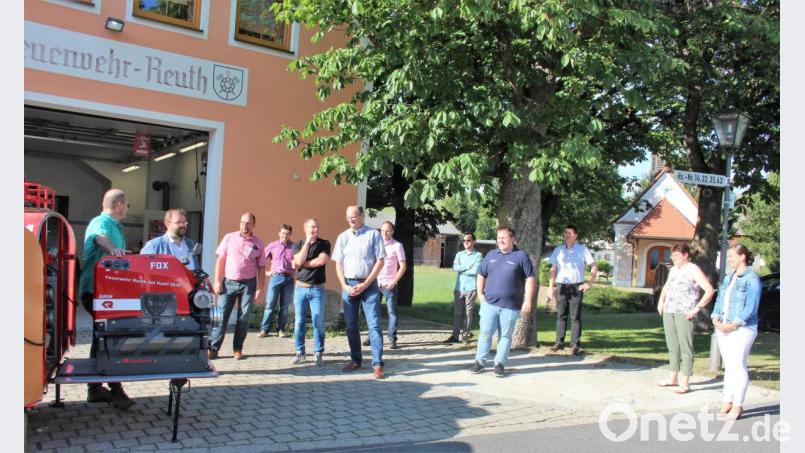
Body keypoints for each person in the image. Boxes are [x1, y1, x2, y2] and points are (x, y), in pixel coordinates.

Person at [78, 189, 135, 410]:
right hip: (95, 291)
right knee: (108, 337)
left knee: (102, 337)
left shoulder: (117, 227)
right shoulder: (100, 222)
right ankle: (115, 390)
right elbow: (99, 238)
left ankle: (95, 389)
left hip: (109, 292)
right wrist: (114, 251)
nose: (128, 208)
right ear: (119, 204)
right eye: (127, 204)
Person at [470, 226, 536, 378]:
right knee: (485, 334)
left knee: (505, 336)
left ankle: (499, 364)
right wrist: (480, 293)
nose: (500, 240)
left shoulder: (521, 256)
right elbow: (481, 274)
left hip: (511, 307)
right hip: (490, 304)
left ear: (512, 239)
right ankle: (480, 362)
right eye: (498, 238)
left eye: (504, 237)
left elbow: (530, 278)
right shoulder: (491, 255)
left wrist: (528, 301)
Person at [332, 206, 387, 379]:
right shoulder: (343, 237)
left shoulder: (373, 235)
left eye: (354, 217)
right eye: (348, 217)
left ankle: (377, 364)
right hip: (349, 285)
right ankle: (356, 360)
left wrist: (366, 283)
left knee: (374, 325)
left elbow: (380, 261)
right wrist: (344, 284)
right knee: (351, 325)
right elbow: (338, 264)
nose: (351, 220)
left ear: (362, 216)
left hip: (368, 285)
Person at [656, 243, 715, 394]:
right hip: (670, 310)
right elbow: (667, 287)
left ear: (686, 255)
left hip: (685, 312)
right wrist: (661, 301)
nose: (673, 258)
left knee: (685, 347)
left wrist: (696, 309)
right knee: (672, 345)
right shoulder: (674, 270)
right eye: (672, 256)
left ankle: (685, 381)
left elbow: (709, 290)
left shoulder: (693, 269)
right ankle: (673, 377)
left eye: (676, 256)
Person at [711, 244, 762, 420]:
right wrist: (715, 317)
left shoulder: (752, 279)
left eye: (732, 256)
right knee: (730, 366)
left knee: (738, 365)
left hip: (743, 328)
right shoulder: (728, 277)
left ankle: (738, 405)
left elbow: (751, 307)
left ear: (742, 257)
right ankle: (727, 400)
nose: (730, 259)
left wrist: (733, 324)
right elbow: (720, 299)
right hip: (724, 326)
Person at [208, 212, 266, 360]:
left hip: (248, 284)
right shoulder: (229, 238)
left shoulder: (258, 243)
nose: (244, 226)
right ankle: (213, 349)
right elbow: (221, 260)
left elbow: (261, 267)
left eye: (248, 223)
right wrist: (217, 281)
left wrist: (260, 288)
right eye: (242, 222)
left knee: (243, 318)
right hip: (228, 283)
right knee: (220, 316)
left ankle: (238, 349)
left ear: (253, 225)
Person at [548, 225, 598, 355]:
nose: (567, 235)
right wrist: (550, 286)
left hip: (576, 286)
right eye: (565, 233)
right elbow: (553, 269)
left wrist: (590, 283)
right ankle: (559, 343)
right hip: (561, 286)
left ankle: (575, 345)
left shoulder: (583, 250)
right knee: (560, 315)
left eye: (569, 233)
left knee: (575, 317)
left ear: (576, 236)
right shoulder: (558, 250)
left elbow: (593, 266)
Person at [290, 218, 331, 366]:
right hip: (300, 288)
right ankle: (299, 352)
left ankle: (318, 352)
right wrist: (307, 243)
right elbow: (298, 260)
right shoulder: (298, 244)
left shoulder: (324, 243)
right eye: (312, 227)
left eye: (317, 227)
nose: (315, 230)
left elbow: (321, 261)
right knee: (299, 322)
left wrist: (303, 263)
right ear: (305, 228)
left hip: (317, 289)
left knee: (318, 321)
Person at [362, 221, 407, 349]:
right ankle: (372, 337)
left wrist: (394, 282)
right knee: (372, 312)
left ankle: (392, 339)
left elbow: (403, 267)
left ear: (392, 231)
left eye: (387, 231)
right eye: (382, 231)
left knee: (391, 312)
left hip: (389, 285)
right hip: (375, 283)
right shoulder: (376, 245)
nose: (384, 233)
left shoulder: (397, 246)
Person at [445, 232, 483, 345]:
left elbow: (475, 271)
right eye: (464, 241)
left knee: (468, 314)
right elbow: (455, 267)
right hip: (459, 287)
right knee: (457, 313)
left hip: (471, 288)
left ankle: (466, 336)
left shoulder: (478, 256)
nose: (466, 242)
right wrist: (467, 266)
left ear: (473, 242)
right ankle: (455, 336)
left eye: (468, 240)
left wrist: (462, 269)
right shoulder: (459, 254)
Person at [259, 224, 296, 338]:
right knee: (270, 305)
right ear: (279, 233)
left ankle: (281, 330)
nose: (285, 236)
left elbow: (298, 261)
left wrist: (296, 272)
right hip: (275, 278)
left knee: (284, 306)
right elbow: (260, 260)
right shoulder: (272, 245)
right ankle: (264, 330)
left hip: (289, 279)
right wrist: (266, 272)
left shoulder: (294, 247)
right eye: (283, 233)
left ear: (290, 235)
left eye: (287, 234)